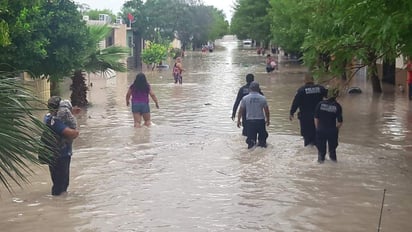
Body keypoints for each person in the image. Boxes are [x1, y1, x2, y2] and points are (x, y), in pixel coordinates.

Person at [43, 96, 80, 196]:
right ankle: (59, 204)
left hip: (52, 154)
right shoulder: (55, 122)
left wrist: (71, 113)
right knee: (61, 184)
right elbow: (72, 134)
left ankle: (58, 204)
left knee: (58, 182)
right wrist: (75, 129)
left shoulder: (47, 117)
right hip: (61, 155)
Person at [289, 73, 327, 146]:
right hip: (319, 117)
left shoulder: (301, 90)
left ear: (305, 80)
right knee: (318, 137)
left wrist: (291, 113)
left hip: (305, 118)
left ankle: (308, 152)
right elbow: (330, 97)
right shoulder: (320, 88)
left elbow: (296, 103)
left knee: (307, 139)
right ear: (313, 80)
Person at [237, 82, 270, 149]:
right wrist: (268, 120)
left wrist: (238, 120)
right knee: (262, 143)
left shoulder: (245, 98)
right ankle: (262, 156)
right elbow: (266, 111)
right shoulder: (263, 98)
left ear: (250, 89)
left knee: (251, 142)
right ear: (258, 89)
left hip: (250, 122)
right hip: (260, 122)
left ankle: (251, 156)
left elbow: (240, 111)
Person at [314, 88, 343, 163]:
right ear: (336, 96)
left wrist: (318, 128)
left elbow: (316, 118)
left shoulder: (320, 104)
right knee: (332, 151)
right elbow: (340, 122)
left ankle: (320, 164)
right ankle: (334, 166)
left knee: (321, 152)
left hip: (321, 130)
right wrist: (335, 129)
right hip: (332, 131)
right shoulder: (337, 106)